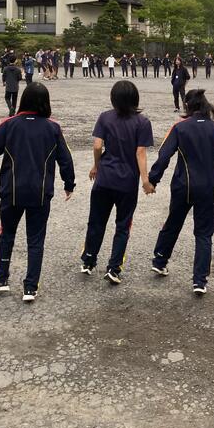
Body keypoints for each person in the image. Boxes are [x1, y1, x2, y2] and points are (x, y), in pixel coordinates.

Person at [0, 83, 75, 302]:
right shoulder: (53, 128)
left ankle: (1, 278)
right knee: (35, 240)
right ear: (46, 102)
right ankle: (30, 287)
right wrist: (69, 183)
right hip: (40, 193)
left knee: (7, 234)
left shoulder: (9, 125)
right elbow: (65, 158)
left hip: (12, 191)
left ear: (23, 100)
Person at [149, 89, 214, 294]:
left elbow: (164, 155)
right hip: (209, 188)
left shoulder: (179, 128)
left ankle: (160, 260)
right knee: (204, 233)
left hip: (183, 185)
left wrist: (153, 179)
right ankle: (199, 281)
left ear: (187, 106)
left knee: (173, 223)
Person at [80, 81, 154, 284]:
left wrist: (96, 166)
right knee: (123, 225)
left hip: (104, 178)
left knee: (96, 221)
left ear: (113, 98)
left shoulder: (105, 117)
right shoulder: (142, 122)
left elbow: (97, 146)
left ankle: (88, 260)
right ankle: (114, 268)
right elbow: (140, 152)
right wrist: (145, 181)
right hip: (127, 182)